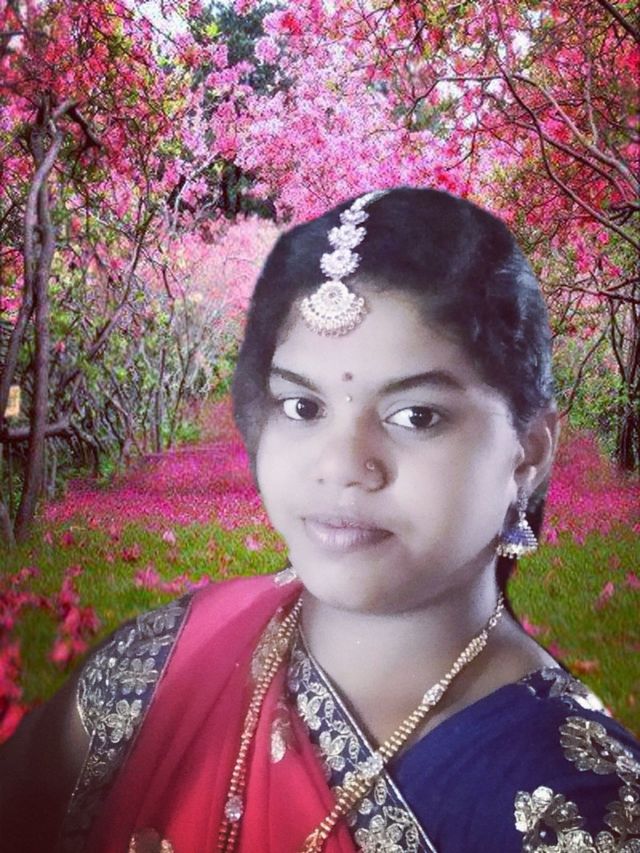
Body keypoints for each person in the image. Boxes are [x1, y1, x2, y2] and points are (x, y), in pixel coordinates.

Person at [1, 187, 638, 853]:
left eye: (416, 415)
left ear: (527, 452)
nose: (340, 466)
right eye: (302, 407)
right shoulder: (168, 657)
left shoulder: (580, 809)